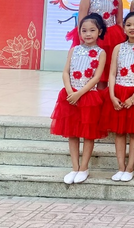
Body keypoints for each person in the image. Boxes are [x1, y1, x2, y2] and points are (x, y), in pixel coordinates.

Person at [50, 14, 107, 184]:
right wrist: (70, 91)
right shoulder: (74, 49)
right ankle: (74, 167)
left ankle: (84, 167)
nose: (87, 34)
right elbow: (65, 71)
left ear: (99, 32)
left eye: (92, 30)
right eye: (84, 30)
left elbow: (97, 78)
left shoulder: (100, 53)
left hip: (88, 97)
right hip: (69, 96)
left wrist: (79, 93)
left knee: (88, 134)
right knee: (72, 133)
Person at [101, 12, 134, 182]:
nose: (132, 28)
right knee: (119, 132)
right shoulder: (118, 48)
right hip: (118, 93)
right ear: (123, 27)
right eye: (129, 25)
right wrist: (112, 96)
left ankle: (130, 167)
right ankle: (120, 167)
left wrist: (133, 97)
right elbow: (112, 73)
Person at [75, 0, 125, 83]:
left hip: (112, 37)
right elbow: (81, 21)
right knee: (91, 69)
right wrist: (83, 40)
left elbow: (119, 21)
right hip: (93, 37)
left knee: (107, 72)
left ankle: (105, 98)